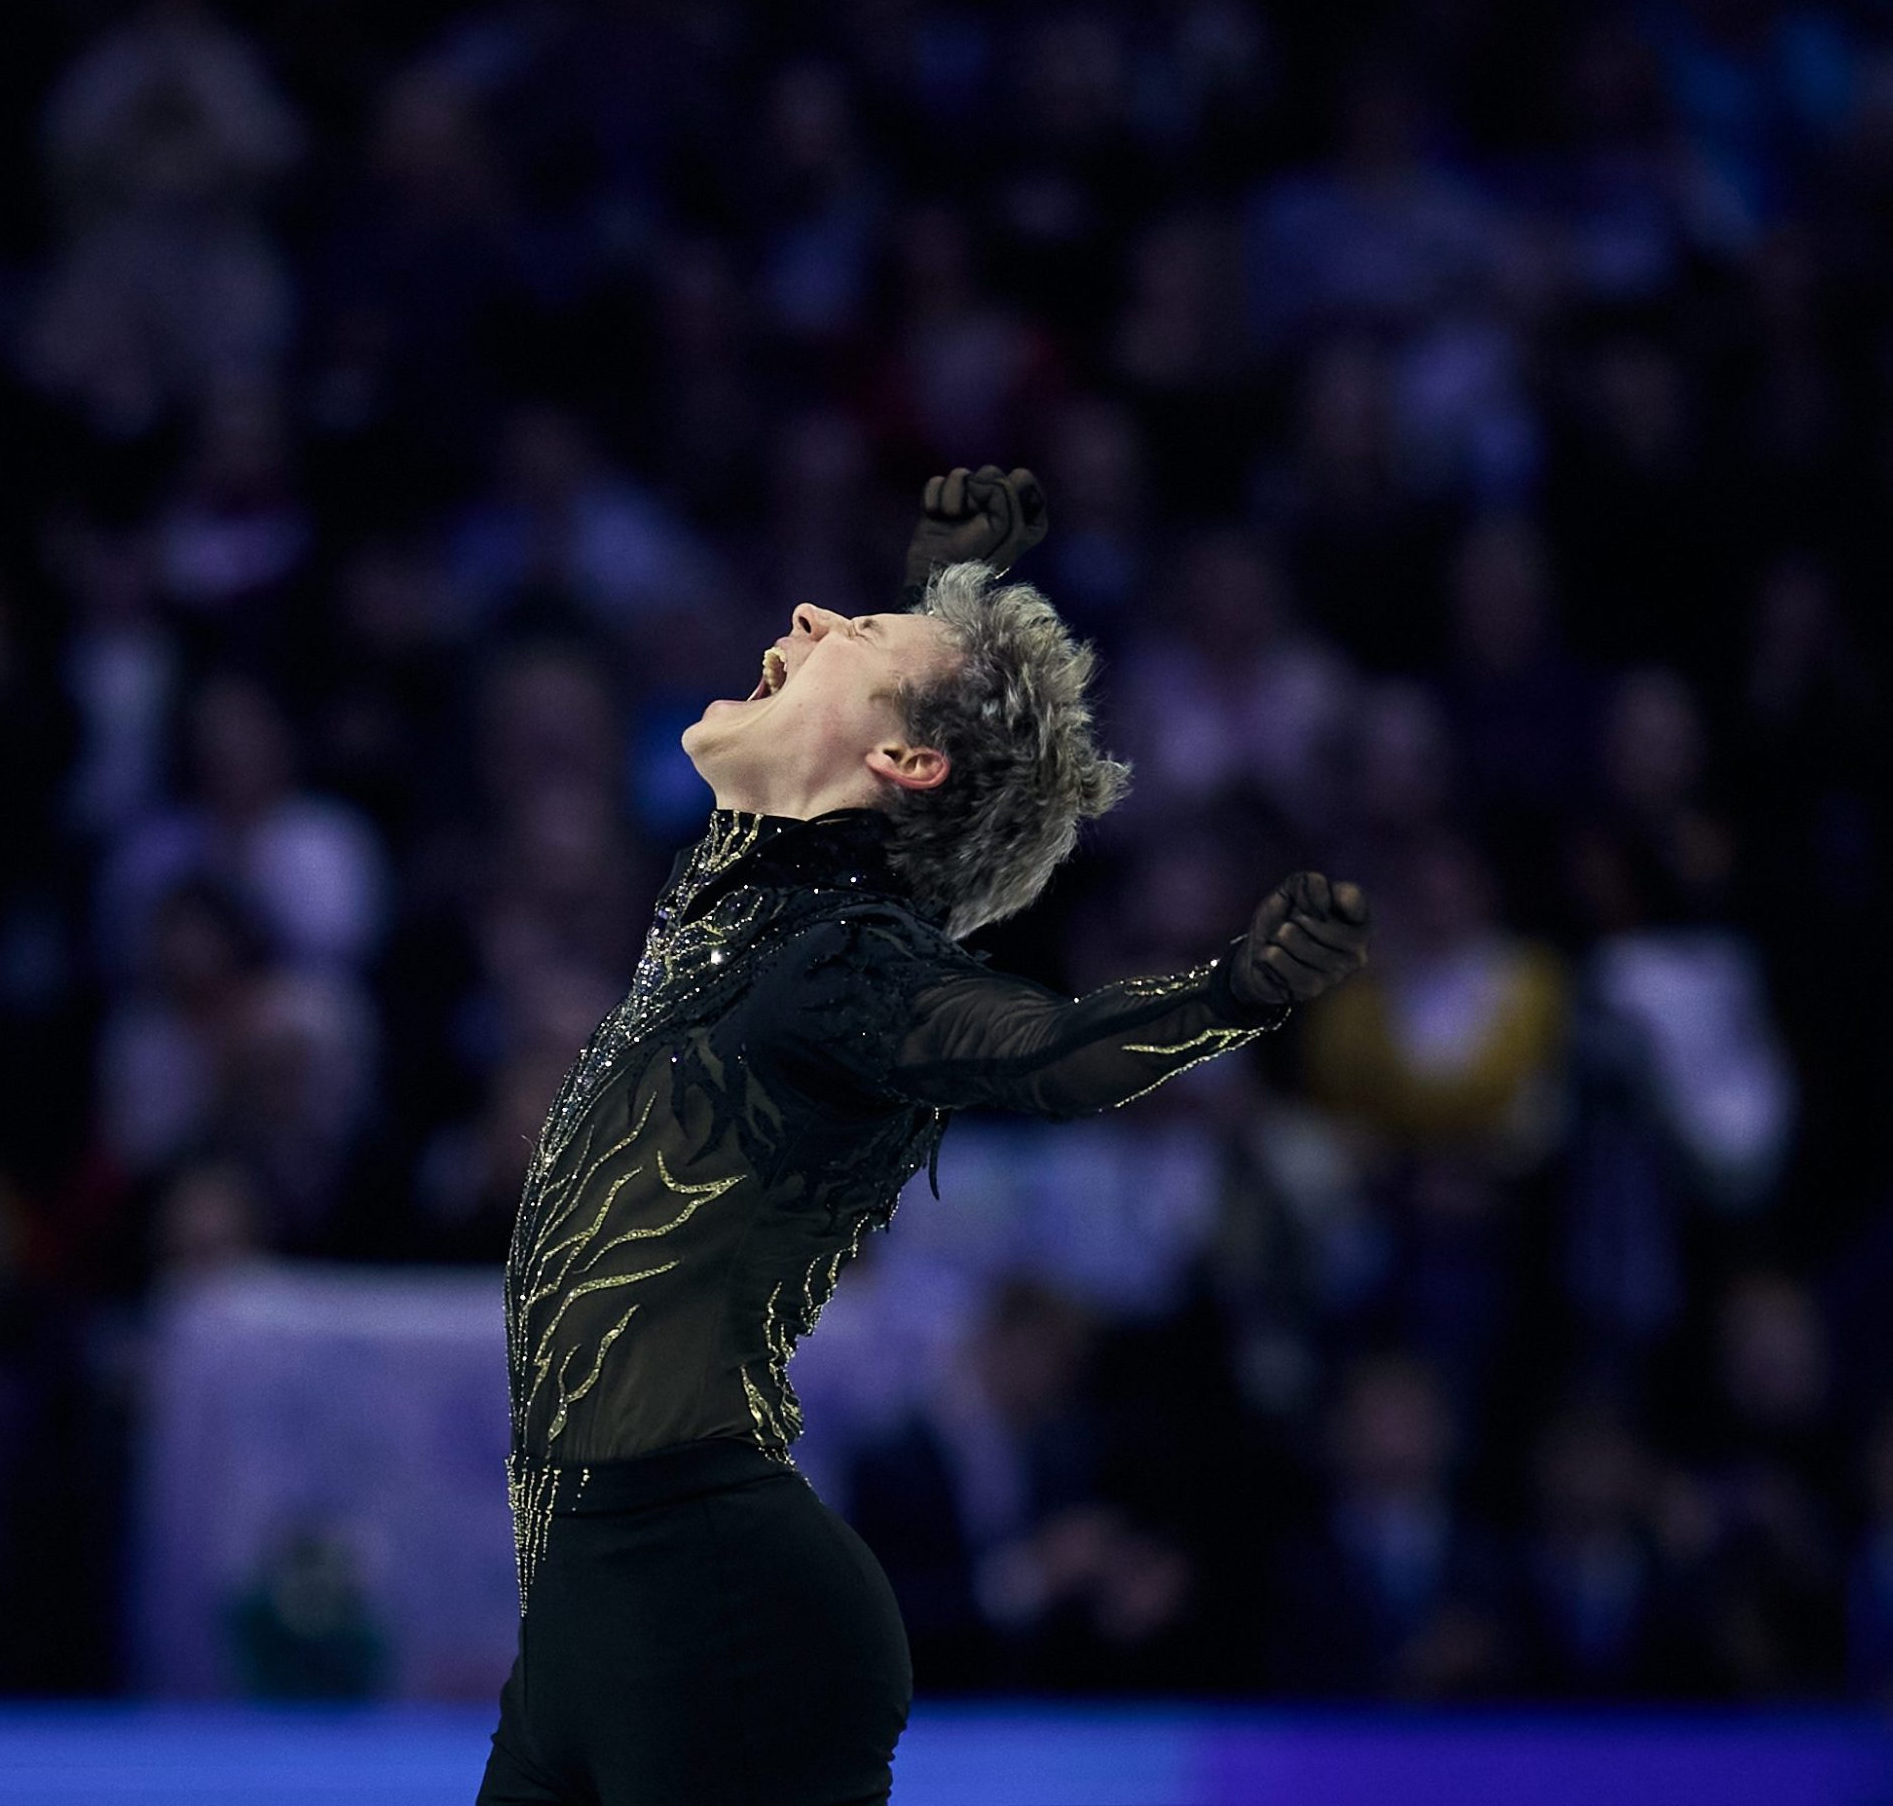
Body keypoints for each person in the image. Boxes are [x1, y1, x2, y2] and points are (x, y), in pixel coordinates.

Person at [479, 468, 1371, 1806]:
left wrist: (1224, 997)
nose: (801, 615)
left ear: (900, 762)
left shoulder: (852, 964)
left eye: (850, 637)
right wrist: (946, 596)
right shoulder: (758, 900)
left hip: (712, 1591)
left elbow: (1043, 1049)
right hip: (602, 1590)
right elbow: (868, 798)